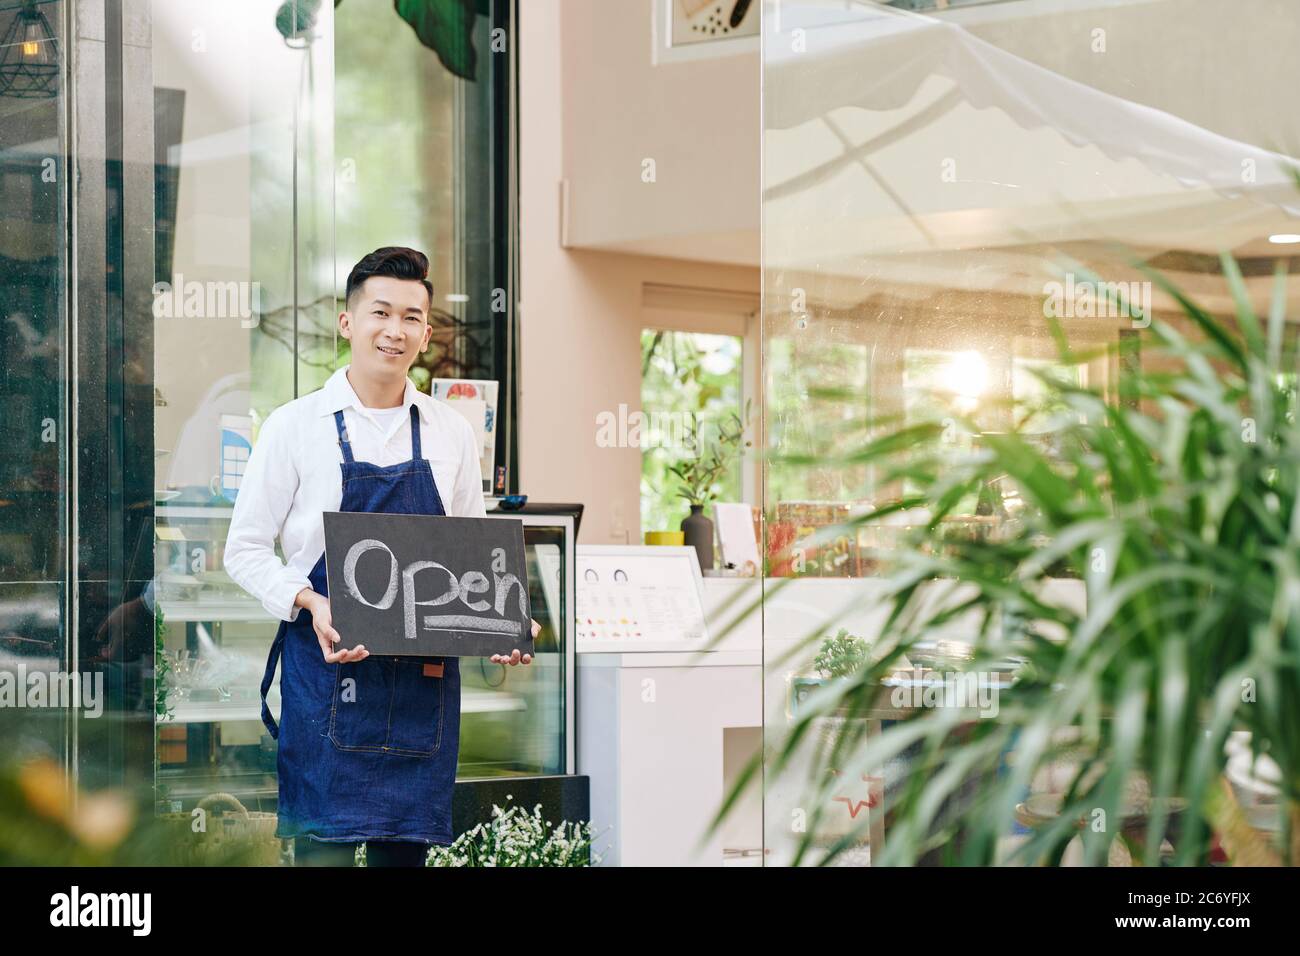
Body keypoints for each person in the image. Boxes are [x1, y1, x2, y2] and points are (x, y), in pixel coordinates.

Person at [224, 246, 534, 867]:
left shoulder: (451, 432)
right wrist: (310, 599)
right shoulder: (293, 427)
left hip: (421, 692)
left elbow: (472, 555)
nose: (395, 330)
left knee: (406, 857)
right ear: (348, 322)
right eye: (381, 312)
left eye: (412, 318)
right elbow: (245, 549)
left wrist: (499, 620)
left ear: (425, 333)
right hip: (327, 677)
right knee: (323, 859)